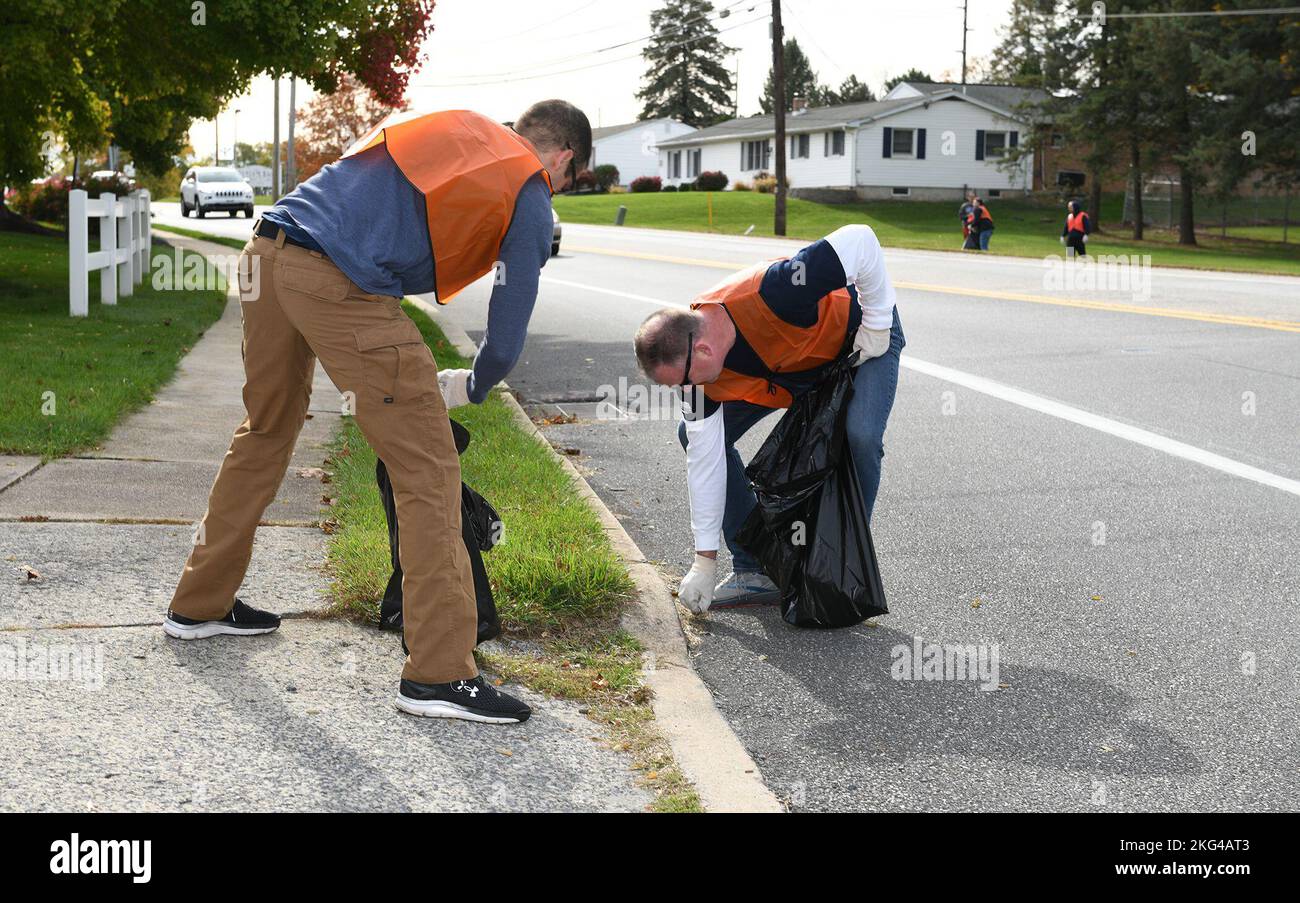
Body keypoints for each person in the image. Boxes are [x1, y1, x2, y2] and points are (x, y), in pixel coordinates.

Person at [162, 100, 592, 725]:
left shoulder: (458, 127)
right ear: (565, 158)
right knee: (427, 466)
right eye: (567, 181)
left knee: (265, 430)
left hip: (267, 251)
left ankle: (199, 604)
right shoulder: (529, 182)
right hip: (338, 280)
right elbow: (506, 330)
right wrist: (474, 384)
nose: (556, 188)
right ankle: (440, 674)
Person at [633, 225, 905, 611]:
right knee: (691, 433)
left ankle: (843, 562)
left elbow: (861, 240)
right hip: (792, 377)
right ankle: (755, 568)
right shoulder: (697, 381)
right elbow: (705, 462)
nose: (684, 391)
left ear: (704, 350)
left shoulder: (779, 290)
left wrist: (877, 322)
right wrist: (703, 560)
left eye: (683, 380)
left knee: (859, 435)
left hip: (860, 344)